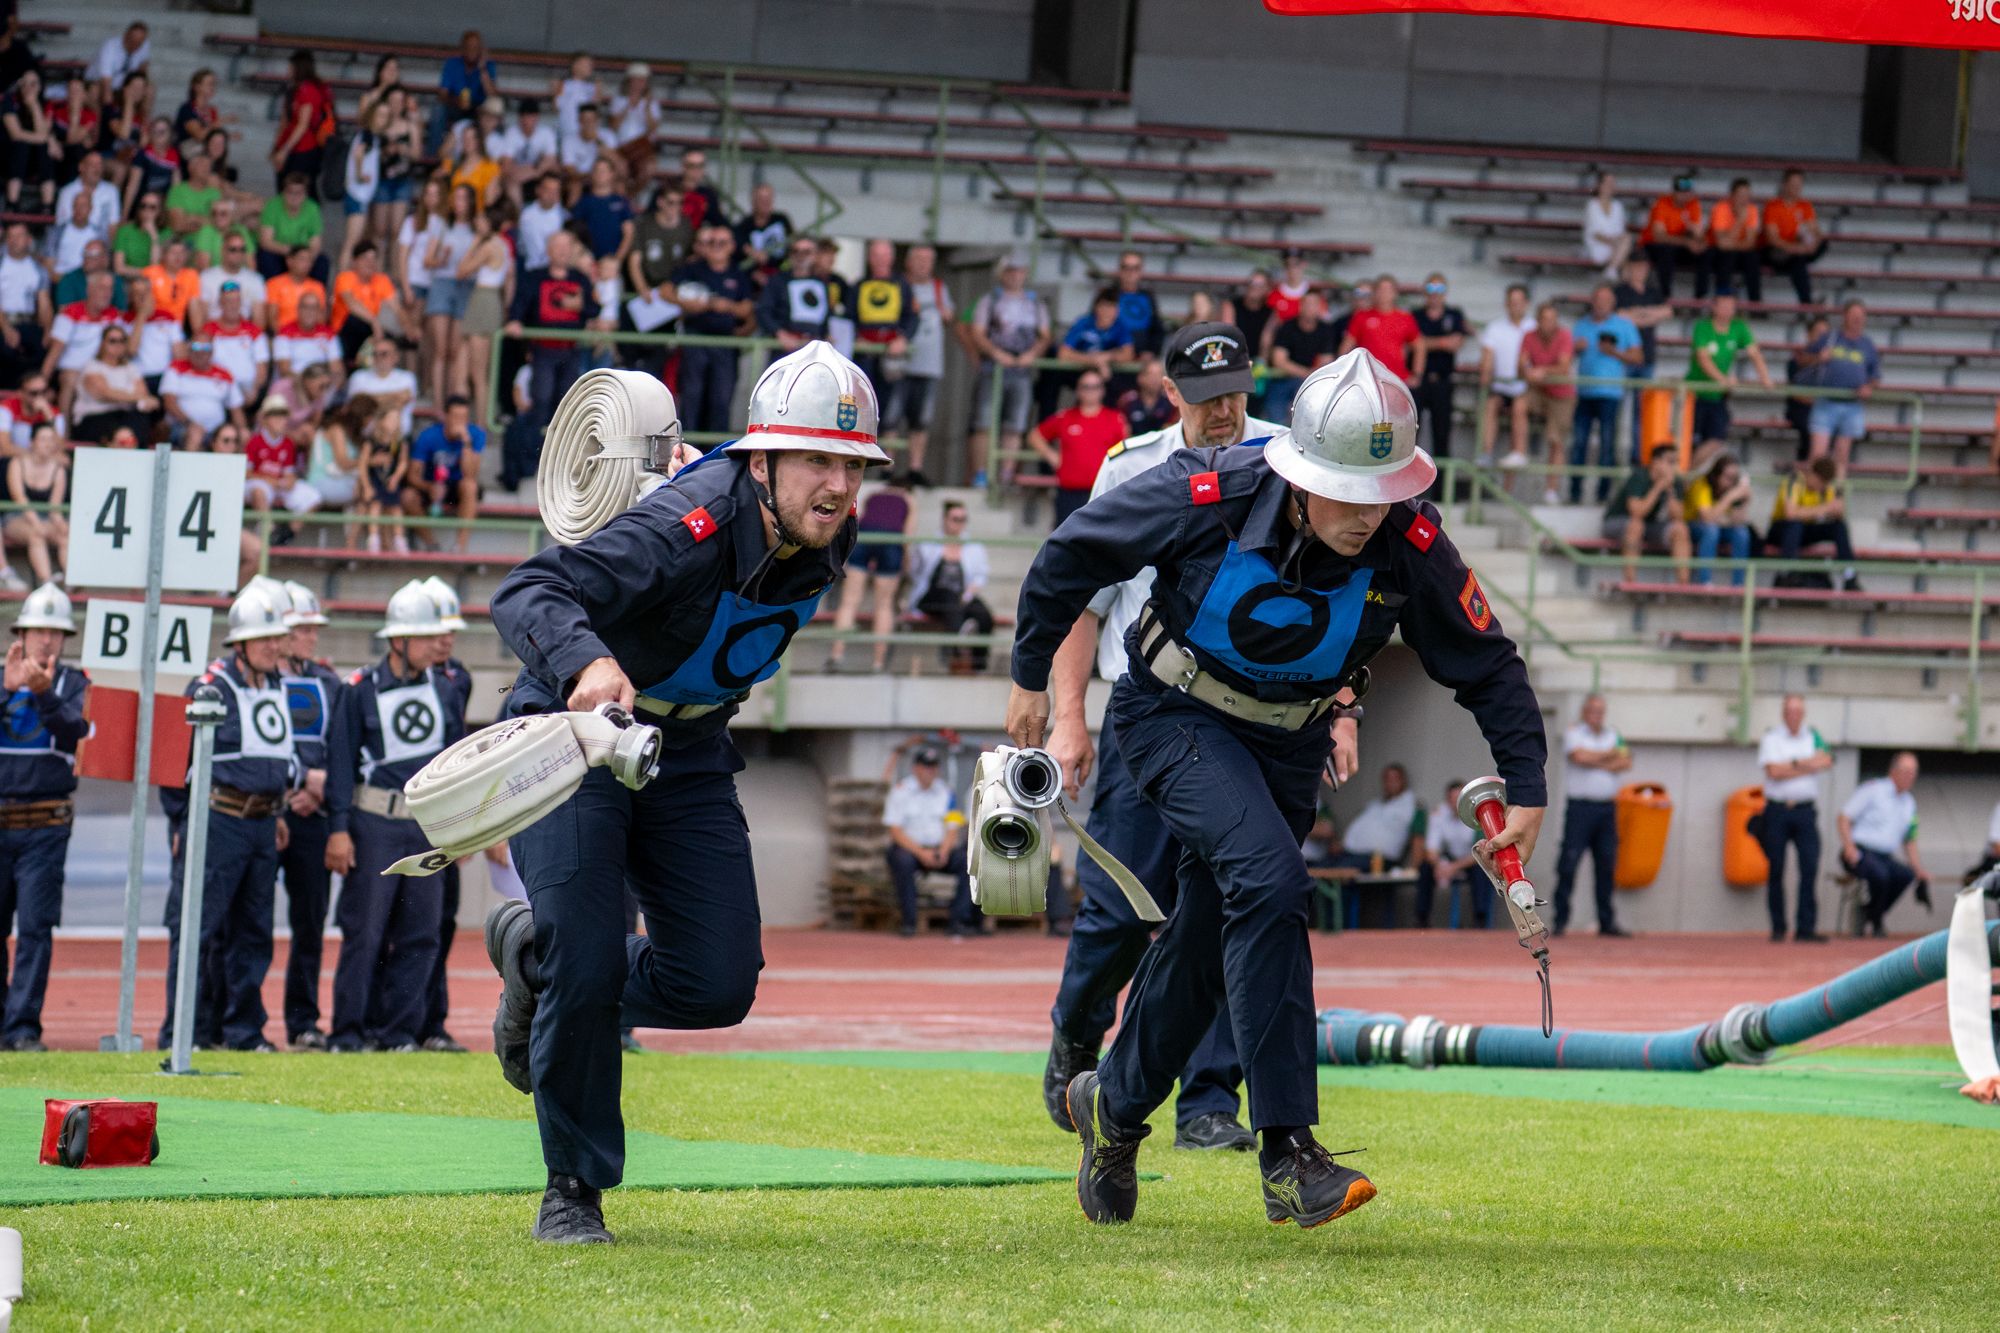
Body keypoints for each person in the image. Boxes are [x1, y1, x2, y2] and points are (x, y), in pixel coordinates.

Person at [1009, 346, 1545, 1229]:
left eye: (1381, 493)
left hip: (1287, 743)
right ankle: (1290, 1151)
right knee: (1272, 881)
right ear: (1297, 472)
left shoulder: (1408, 537)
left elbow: (1487, 661)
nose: (1365, 514)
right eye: (1345, 490)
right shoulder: (1203, 491)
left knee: (1208, 934)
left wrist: (1527, 782)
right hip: (1171, 716)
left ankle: (1115, 1106)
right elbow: (1071, 554)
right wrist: (1033, 678)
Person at [484, 340, 886, 1243]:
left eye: (853, 465)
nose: (838, 485)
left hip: (687, 748)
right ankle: (573, 1187)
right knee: (590, 957)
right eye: (819, 458)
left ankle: (536, 963)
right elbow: (532, 587)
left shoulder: (830, 528)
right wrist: (588, 659)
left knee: (717, 984)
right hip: (574, 736)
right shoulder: (687, 520)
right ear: (762, 458)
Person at [1038, 325, 1288, 1147]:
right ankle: (1078, 1030)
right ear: (1169, 390)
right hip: (1147, 712)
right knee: (1116, 906)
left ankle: (1208, 1100)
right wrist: (1069, 716)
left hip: (1250, 718)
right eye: (1207, 396)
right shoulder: (1129, 465)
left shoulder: (1288, 461)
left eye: (1237, 393)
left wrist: (1344, 713)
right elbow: (1085, 597)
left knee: (1227, 908)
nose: (1226, 411)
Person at [324, 583, 466, 1050]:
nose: (436, 644)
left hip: (426, 827)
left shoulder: (446, 689)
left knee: (421, 932)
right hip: (374, 824)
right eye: (425, 636)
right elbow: (341, 763)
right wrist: (339, 829)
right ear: (398, 640)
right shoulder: (358, 690)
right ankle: (348, 1033)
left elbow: (455, 763)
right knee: (365, 931)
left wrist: (458, 831)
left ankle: (399, 1033)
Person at [158, 584, 297, 1053]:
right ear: (239, 644)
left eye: (276, 638)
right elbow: (175, 763)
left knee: (253, 932)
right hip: (217, 821)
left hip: (261, 824)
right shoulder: (209, 687)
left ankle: (243, 1032)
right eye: (264, 640)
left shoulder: (275, 684)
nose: (273, 647)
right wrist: (181, 823)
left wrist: (275, 809)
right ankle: (184, 1032)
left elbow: (275, 754)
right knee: (197, 928)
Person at [0, 584, 85, 1051]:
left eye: (55, 632)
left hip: (46, 824)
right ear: (22, 633)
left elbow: (78, 732)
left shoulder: (74, 683)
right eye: (38, 631)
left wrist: (45, 695)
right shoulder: (2, 676)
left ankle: (23, 1027)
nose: (46, 641)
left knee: (35, 927)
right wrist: (7, 690)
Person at [415, 577, 476, 1054]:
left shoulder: (457, 678)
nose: (446, 638)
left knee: (442, 922)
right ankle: (391, 1023)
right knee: (402, 926)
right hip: (402, 816)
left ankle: (432, 1021)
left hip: (444, 818)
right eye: (436, 630)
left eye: (451, 630)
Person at [505, 229, 597, 459]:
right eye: (558, 247)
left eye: (567, 247)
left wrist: (579, 306)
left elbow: (594, 308)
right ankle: (536, 453)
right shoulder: (534, 277)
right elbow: (520, 304)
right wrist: (515, 321)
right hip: (543, 349)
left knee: (567, 401)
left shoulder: (580, 279)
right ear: (548, 251)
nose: (563, 252)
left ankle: (561, 455)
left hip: (571, 349)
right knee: (542, 398)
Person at [966, 253, 1048, 486]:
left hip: (1021, 369)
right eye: (1010, 271)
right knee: (984, 422)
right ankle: (981, 473)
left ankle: (1006, 474)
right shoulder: (990, 300)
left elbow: (1045, 335)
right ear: (1002, 274)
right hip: (994, 366)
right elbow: (977, 332)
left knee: (1015, 424)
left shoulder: (1034, 302)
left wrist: (1031, 354)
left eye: (1019, 270)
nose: (1015, 275)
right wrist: (996, 353)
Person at [1552, 693, 1630, 938]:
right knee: (1569, 864)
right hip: (1580, 809)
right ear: (1584, 712)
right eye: (1592, 710)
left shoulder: (1613, 734)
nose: (1596, 715)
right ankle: (1560, 921)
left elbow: (1625, 762)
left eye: (1600, 711)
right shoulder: (1574, 732)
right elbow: (1578, 757)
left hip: (1606, 809)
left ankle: (1606, 922)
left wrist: (1595, 758)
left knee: (1607, 865)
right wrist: (1608, 757)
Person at [1757, 694, 1832, 944]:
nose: (1794, 715)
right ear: (1783, 713)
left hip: (1805, 811)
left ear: (1804, 713)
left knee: (1809, 868)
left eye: (1798, 711)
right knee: (1776, 869)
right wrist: (1806, 764)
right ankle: (1778, 927)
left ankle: (1805, 928)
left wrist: (1791, 764)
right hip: (1777, 810)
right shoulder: (1771, 737)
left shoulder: (1813, 735)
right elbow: (1774, 772)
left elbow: (1827, 760)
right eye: (1790, 711)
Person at [882, 744, 976, 936]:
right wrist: (921, 853)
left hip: (939, 849)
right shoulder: (901, 792)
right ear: (915, 768)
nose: (931, 770)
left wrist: (944, 850)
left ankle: (958, 921)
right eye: (926, 766)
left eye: (934, 766)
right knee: (902, 862)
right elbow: (895, 830)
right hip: (911, 850)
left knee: (969, 863)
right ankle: (909, 922)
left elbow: (953, 826)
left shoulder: (946, 792)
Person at [828, 470, 915, 674]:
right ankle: (878, 663)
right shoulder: (909, 499)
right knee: (884, 605)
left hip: (865, 539)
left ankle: (836, 655)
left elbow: (860, 521)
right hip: (891, 541)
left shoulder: (874, 495)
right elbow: (908, 537)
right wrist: (907, 565)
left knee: (849, 601)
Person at [671, 222, 754, 436]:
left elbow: (747, 308)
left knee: (720, 398)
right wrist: (687, 304)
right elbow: (665, 290)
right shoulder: (692, 269)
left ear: (731, 246)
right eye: (711, 242)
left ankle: (716, 454)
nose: (716, 246)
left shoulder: (738, 274)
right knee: (692, 396)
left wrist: (727, 306)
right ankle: (686, 448)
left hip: (724, 343)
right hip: (695, 339)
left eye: (722, 242)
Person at [1566, 283, 1643, 504]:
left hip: (1610, 393)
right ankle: (1575, 492)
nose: (1601, 304)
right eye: (1598, 300)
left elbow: (1638, 357)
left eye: (1606, 300)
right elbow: (1566, 356)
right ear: (1593, 301)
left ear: (1612, 303)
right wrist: (1575, 349)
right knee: (1579, 443)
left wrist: (1614, 352)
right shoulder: (1581, 325)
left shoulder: (1624, 326)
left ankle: (1602, 494)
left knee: (1607, 445)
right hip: (1584, 391)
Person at [1838, 753, 1929, 938]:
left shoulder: (1909, 802)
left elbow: (1909, 839)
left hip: (1884, 857)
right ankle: (1876, 919)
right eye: (1906, 771)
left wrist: (1918, 868)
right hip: (1860, 851)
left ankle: (1870, 913)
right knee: (1880, 875)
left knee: (1905, 875)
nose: (1910, 777)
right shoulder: (1873, 790)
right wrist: (1849, 847)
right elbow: (1844, 818)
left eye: (1913, 772)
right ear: (1893, 771)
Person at [1324, 763, 1422, 930]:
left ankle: (1338, 929)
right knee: (1320, 869)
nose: (1390, 783)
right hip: (1348, 853)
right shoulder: (1375, 805)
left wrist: (1413, 867)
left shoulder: (1412, 806)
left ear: (1403, 781)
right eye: (1386, 779)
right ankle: (1321, 927)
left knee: (1342, 873)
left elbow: (1418, 839)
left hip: (1378, 859)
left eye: (1394, 779)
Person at [886, 243, 955, 478]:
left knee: (922, 420)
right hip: (901, 362)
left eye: (928, 260)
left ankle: (915, 467)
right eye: (919, 259)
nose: (924, 265)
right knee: (891, 416)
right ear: (908, 261)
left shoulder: (938, 287)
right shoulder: (898, 285)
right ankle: (889, 466)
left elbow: (949, 315)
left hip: (929, 364)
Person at [905, 499, 994, 673]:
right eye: (955, 519)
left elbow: (980, 577)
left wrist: (967, 595)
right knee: (949, 597)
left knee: (983, 614)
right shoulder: (928, 545)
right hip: (932, 596)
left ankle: (978, 665)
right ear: (944, 519)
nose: (959, 524)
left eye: (963, 519)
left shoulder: (974, 548)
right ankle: (954, 651)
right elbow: (915, 572)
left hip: (961, 597)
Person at [1029, 369, 1127, 525]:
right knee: (1066, 541)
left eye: (1095, 386)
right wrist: (1052, 457)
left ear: (1102, 390)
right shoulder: (1065, 417)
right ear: (1078, 390)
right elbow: (1035, 436)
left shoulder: (1115, 419)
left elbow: (1125, 449)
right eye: (1086, 387)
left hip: (1103, 492)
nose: (1090, 391)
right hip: (1069, 492)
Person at [1686, 293, 1772, 453]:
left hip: (1718, 396)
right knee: (1691, 441)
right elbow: (1703, 358)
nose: (1728, 311)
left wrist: (1765, 378)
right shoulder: (1703, 327)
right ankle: (1689, 474)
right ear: (1714, 307)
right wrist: (1723, 379)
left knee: (1716, 441)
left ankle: (1698, 472)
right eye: (1724, 306)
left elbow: (1754, 353)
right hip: (1696, 395)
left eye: (1731, 307)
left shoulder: (1738, 327)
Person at [1804, 301, 1880, 473]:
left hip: (1852, 405)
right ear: (1844, 316)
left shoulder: (1867, 345)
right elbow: (1803, 358)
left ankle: (1835, 496)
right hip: (1826, 402)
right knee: (1817, 455)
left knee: (1842, 456)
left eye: (1860, 316)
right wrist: (1818, 358)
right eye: (1853, 315)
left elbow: (1875, 376)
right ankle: (1809, 496)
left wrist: (1868, 387)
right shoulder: (1830, 338)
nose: (1857, 320)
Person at [404, 395, 485, 552]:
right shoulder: (428, 436)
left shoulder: (475, 435)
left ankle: (459, 546)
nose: (460, 422)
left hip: (457, 486)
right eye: (456, 417)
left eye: (464, 418)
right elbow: (412, 475)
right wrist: (429, 487)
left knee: (470, 486)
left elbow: (470, 474)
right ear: (445, 416)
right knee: (407, 496)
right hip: (430, 484)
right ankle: (431, 544)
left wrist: (465, 442)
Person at [1611, 252, 1671, 462]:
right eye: (1635, 266)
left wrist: (1638, 313)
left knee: (1641, 412)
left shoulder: (1653, 292)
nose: (1639, 271)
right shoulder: (1620, 292)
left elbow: (1667, 312)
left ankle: (1637, 457)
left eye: (1642, 266)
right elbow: (1619, 317)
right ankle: (1614, 455)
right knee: (1617, 410)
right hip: (1624, 359)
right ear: (1629, 268)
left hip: (1647, 358)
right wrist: (1649, 315)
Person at [1768, 455, 1858, 591]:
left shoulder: (1825, 489)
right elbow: (1790, 513)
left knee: (1839, 527)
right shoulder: (1795, 480)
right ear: (1814, 475)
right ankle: (1786, 572)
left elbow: (1838, 512)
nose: (1822, 486)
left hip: (1805, 529)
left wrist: (1839, 485)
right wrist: (1825, 508)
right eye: (1821, 482)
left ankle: (1850, 576)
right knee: (1795, 524)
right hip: (1781, 530)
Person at [1414, 779, 1492, 929]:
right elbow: (1431, 849)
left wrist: (1454, 867)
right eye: (1453, 800)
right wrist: (1439, 866)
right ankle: (1421, 918)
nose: (1456, 804)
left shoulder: (1478, 814)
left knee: (1481, 871)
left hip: (1471, 860)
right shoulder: (1438, 814)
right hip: (1447, 859)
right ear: (1447, 800)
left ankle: (1480, 918)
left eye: (1459, 799)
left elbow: (1481, 851)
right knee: (1425, 868)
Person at [1519, 301, 1575, 505]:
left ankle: (1551, 489)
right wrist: (1528, 371)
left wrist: (1541, 371)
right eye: (1544, 319)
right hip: (1539, 389)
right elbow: (1523, 362)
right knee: (1519, 405)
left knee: (1556, 440)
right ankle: (1519, 451)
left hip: (1561, 393)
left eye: (1552, 319)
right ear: (1538, 320)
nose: (1548, 323)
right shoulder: (1529, 336)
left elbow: (1564, 367)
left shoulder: (1565, 336)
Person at [1410, 274, 1466, 477]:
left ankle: (1441, 488)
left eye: (1439, 290)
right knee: (1411, 435)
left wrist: (1425, 343)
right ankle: (1409, 487)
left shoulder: (1454, 314)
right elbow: (1412, 344)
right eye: (1431, 290)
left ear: (1445, 293)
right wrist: (1442, 342)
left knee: (1442, 434)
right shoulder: (1415, 315)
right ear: (1424, 292)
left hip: (1443, 380)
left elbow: (1456, 343)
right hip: (1418, 380)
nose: (1435, 295)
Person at [71, 321, 158, 444]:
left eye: (122, 340)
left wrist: (128, 396)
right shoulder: (92, 366)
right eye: (112, 341)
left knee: (140, 419)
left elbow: (142, 392)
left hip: (124, 416)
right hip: (94, 417)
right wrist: (136, 397)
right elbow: (104, 394)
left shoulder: (130, 367)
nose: (118, 344)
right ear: (102, 343)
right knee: (117, 427)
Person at [1477, 284, 1534, 466]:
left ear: (1526, 303)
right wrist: (1486, 372)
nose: (1515, 305)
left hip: (1525, 388)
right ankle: (1485, 453)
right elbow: (1487, 357)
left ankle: (1519, 452)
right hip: (1501, 387)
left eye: (1518, 302)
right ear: (1506, 304)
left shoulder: (1534, 327)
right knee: (1490, 405)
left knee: (1519, 406)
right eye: (1512, 302)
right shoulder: (1495, 327)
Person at [4, 426, 68, 585]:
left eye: (52, 440)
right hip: (17, 517)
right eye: (43, 439)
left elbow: (55, 506)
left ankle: (71, 581)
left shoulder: (58, 469)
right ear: (32, 442)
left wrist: (61, 525)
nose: (48, 444)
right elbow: (20, 498)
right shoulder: (17, 463)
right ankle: (47, 584)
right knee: (36, 535)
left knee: (65, 535)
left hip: (46, 518)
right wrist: (37, 523)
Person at [1263, 288, 1337, 423]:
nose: (1310, 308)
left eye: (1314, 304)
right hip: (1283, 378)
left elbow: (1327, 362)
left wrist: (1309, 376)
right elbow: (1278, 360)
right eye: (1307, 304)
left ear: (1320, 307)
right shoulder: (1287, 327)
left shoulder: (1325, 329)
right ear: (1301, 306)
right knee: (1276, 418)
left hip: (1312, 381)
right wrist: (1305, 372)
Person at [1683, 452, 1754, 587]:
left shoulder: (1732, 488)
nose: (1731, 482)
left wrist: (1745, 501)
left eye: (1734, 478)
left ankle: (1738, 583)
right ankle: (1705, 581)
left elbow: (1738, 520)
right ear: (1717, 475)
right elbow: (1707, 518)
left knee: (1741, 533)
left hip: (1720, 526)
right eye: (1728, 477)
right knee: (1711, 531)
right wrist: (1730, 498)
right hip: (1693, 526)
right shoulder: (1702, 484)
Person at [269, 51, 335, 196]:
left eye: (291, 67)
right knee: (283, 186)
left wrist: (284, 150)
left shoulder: (309, 91)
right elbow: (284, 121)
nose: (288, 70)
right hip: (291, 145)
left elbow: (302, 125)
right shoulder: (293, 89)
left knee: (302, 189)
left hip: (304, 149)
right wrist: (276, 147)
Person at [160, 337, 243, 450]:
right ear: (189, 350)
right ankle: (190, 467)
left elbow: (236, 408)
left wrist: (242, 429)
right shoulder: (176, 368)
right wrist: (189, 423)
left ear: (212, 351)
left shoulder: (224, 373)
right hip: (182, 426)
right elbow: (169, 402)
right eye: (196, 347)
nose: (200, 352)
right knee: (195, 434)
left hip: (216, 429)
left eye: (206, 348)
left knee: (233, 436)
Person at [199, 282, 269, 407]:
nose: (232, 305)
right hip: (217, 387)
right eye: (228, 301)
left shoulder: (254, 331)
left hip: (248, 389)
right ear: (220, 303)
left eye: (236, 301)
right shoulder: (208, 330)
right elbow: (201, 362)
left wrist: (255, 390)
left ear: (241, 303)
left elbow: (262, 368)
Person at [1764, 169, 1828, 306]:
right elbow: (1772, 239)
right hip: (1780, 251)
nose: (1796, 188)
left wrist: (1813, 244)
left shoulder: (1805, 206)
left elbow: (1816, 231)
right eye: (1793, 184)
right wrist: (1797, 248)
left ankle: (1806, 301)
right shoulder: (1773, 206)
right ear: (1785, 185)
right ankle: (1807, 302)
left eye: (1799, 184)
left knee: (1821, 245)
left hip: (1799, 250)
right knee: (1795, 259)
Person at [1341, 274, 1421, 383]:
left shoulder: (1405, 318)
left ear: (1395, 293)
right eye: (1381, 289)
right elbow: (1346, 346)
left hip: (1397, 378)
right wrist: (1343, 372)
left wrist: (1417, 374)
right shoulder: (1361, 317)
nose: (1384, 293)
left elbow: (1420, 346)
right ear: (1374, 293)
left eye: (1388, 290)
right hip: (1366, 378)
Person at [332, 240, 399, 368]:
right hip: (344, 331)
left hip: (369, 331)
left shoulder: (381, 280)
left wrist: (409, 327)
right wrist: (375, 322)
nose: (370, 263)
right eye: (365, 258)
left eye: (374, 258)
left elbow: (396, 307)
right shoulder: (345, 277)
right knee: (355, 320)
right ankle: (351, 363)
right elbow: (352, 304)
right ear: (354, 261)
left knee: (396, 338)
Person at [435, 29, 500, 152]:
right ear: (462, 48)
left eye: (476, 47)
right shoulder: (452, 63)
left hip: (479, 109)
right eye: (469, 47)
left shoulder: (488, 65)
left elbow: (493, 96)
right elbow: (442, 94)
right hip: (456, 106)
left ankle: (491, 155)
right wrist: (456, 101)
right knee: (438, 109)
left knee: (496, 110)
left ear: (481, 49)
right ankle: (433, 157)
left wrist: (482, 69)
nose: (472, 51)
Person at [1640, 175, 1705, 297]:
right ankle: (1665, 296)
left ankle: (1700, 298)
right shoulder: (1662, 203)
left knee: (1705, 253)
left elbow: (1698, 234)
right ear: (1674, 192)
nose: (1684, 195)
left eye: (1687, 192)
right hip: (1653, 246)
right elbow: (1659, 236)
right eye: (1681, 192)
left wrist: (1697, 237)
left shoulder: (1693, 204)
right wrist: (1687, 242)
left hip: (1678, 246)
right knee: (1666, 251)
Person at [358, 406, 410, 553]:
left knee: (395, 509)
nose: (395, 422)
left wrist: (396, 477)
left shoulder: (400, 443)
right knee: (375, 506)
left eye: (397, 419)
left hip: (390, 481)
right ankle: (373, 538)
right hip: (375, 479)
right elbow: (362, 464)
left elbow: (403, 462)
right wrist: (367, 486)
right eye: (391, 419)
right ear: (381, 421)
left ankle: (400, 539)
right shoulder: (371, 442)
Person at [256, 174, 326, 283]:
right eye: (290, 192)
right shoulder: (272, 206)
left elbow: (315, 244)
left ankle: (317, 295)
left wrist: (304, 258)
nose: (294, 196)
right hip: (279, 251)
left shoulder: (312, 209)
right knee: (266, 257)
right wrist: (292, 253)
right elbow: (266, 241)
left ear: (306, 194)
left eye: (299, 193)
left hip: (303, 253)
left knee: (322, 262)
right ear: (283, 192)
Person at [1701, 178, 1762, 302]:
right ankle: (1721, 299)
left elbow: (1750, 243)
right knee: (1725, 257)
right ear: (1731, 196)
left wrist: (1731, 244)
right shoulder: (1721, 208)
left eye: (1747, 195)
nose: (1744, 199)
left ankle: (1755, 303)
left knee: (1752, 258)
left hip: (1737, 251)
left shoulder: (1752, 210)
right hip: (1716, 251)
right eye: (1740, 195)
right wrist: (1739, 221)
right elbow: (1721, 244)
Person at [732, 183, 791, 287]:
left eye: (768, 198)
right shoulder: (743, 226)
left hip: (782, 270)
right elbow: (738, 257)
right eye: (761, 198)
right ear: (753, 201)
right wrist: (753, 272)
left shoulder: (782, 220)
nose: (765, 202)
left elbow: (791, 245)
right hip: (756, 277)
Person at [1581, 173, 1630, 278]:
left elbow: (1620, 231)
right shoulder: (1592, 205)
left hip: (1616, 246)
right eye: (1607, 183)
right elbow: (1595, 234)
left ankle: (1611, 271)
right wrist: (1614, 242)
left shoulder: (1618, 206)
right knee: (1624, 253)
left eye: (1612, 183)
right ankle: (1612, 271)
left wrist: (1616, 242)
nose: (1610, 186)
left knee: (1626, 241)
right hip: (1598, 245)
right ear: (1599, 185)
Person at [1115, 356, 1175, 438]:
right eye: (1151, 374)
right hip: (1134, 445)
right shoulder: (1127, 401)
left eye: (1159, 374)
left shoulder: (1171, 400)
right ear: (1140, 378)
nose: (1155, 379)